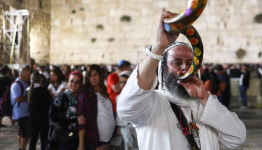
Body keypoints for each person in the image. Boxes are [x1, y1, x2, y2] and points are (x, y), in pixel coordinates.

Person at [117, 11, 246, 150]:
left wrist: (205, 99)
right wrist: (159, 47)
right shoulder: (151, 104)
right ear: (164, 69)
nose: (185, 68)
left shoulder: (206, 106)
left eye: (190, 63)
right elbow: (126, 108)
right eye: (177, 63)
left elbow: (237, 138)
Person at [78, 64, 115, 150]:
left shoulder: (104, 92)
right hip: (95, 142)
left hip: (109, 140)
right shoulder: (85, 95)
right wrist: (81, 144)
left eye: (95, 75)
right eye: (90, 76)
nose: (93, 78)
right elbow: (82, 121)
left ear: (100, 75)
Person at [48, 71, 84, 150]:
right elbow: (52, 119)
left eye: (77, 82)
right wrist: (75, 122)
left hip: (75, 139)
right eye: (71, 81)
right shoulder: (60, 98)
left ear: (81, 85)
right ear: (68, 83)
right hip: (63, 140)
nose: (73, 84)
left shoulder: (80, 99)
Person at [27, 72, 52, 150]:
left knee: (33, 138)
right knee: (43, 139)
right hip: (43, 118)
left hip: (32, 117)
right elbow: (49, 103)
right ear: (40, 79)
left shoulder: (28, 90)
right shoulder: (43, 90)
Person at [114, 70, 138, 150]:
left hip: (134, 131)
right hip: (122, 131)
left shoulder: (136, 97)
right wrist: (119, 128)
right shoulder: (118, 98)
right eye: (120, 82)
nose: (122, 84)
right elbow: (118, 116)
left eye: (125, 82)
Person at [10, 66, 32, 150]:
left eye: (29, 75)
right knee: (25, 134)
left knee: (21, 133)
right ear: (21, 75)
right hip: (20, 113)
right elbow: (18, 98)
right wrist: (29, 97)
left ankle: (20, 148)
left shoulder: (25, 83)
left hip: (25, 112)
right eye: (27, 75)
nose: (28, 77)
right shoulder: (16, 85)